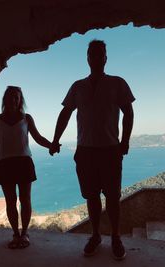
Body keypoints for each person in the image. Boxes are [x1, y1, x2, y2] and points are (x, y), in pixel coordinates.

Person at [49, 40, 135, 260]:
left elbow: (129, 112)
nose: (96, 57)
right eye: (92, 54)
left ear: (105, 58)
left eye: (100, 54)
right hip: (85, 151)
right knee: (91, 196)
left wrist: (124, 141)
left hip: (110, 150)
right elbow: (65, 114)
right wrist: (55, 140)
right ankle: (96, 236)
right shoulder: (78, 86)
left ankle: (116, 237)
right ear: (87, 58)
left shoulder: (118, 83)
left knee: (113, 197)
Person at [0, 86, 52, 249]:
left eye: (16, 98)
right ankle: (15, 235)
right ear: (5, 99)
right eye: (10, 97)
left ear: (20, 101)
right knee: (10, 201)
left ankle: (24, 233)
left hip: (24, 162)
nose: (13, 100)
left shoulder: (27, 118)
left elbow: (38, 137)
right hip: (4, 163)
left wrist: (51, 145)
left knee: (25, 200)